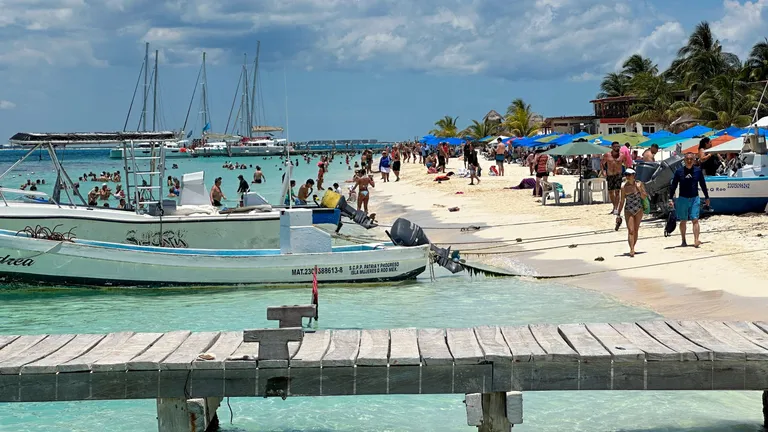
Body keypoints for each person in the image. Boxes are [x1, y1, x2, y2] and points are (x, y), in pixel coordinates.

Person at [669, 152, 710, 248]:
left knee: (695, 219)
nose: (689, 161)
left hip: (695, 198)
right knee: (683, 220)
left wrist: (707, 197)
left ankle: (696, 240)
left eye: (691, 159)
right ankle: (683, 240)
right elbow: (673, 186)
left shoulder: (698, 171)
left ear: (694, 160)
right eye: (687, 159)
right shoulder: (679, 172)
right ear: (684, 160)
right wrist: (670, 198)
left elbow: (703, 185)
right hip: (682, 198)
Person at [616, 168, 647, 257]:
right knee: (631, 230)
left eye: (629, 175)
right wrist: (618, 214)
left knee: (636, 230)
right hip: (628, 209)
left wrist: (639, 189)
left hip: (638, 209)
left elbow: (644, 197)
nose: (627, 177)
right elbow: (622, 201)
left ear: (634, 175)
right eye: (626, 175)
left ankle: (633, 246)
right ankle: (632, 249)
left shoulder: (639, 184)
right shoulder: (623, 187)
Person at [601, 141, 628, 214]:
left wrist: (626, 174)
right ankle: (614, 206)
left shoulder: (622, 155)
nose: (617, 148)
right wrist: (603, 171)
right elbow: (602, 164)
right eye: (615, 147)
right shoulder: (607, 155)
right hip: (610, 175)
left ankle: (616, 208)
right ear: (612, 147)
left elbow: (626, 165)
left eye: (618, 146)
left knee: (617, 192)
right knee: (610, 192)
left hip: (618, 175)